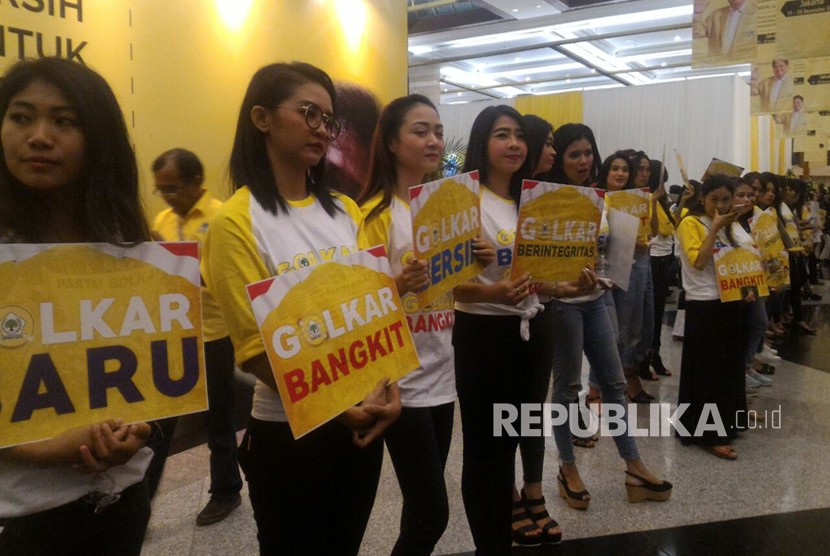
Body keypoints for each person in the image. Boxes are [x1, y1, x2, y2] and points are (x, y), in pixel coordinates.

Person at [202, 62, 400, 555]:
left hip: (363, 418)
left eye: (328, 120)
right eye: (309, 112)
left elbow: (375, 314)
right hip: (291, 435)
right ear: (262, 118)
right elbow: (253, 352)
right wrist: (339, 411)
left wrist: (388, 389)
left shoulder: (345, 211)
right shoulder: (236, 223)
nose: (321, 129)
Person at [0, 57, 155, 555]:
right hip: (23, 519)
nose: (40, 136)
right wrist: (49, 449)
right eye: (21, 117)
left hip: (124, 500)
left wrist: (142, 428)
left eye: (64, 121)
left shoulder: (133, 250)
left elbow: (163, 374)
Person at [358, 94, 494, 555]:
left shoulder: (444, 208)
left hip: (441, 370)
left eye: (437, 130)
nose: (434, 140)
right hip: (401, 381)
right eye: (420, 131)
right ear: (392, 143)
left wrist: (478, 262)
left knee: (423, 506)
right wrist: (397, 284)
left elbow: (450, 289)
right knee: (432, 511)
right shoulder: (374, 217)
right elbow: (357, 308)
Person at [453, 105, 590, 552]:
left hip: (534, 329)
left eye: (518, 136)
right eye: (501, 135)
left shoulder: (530, 203)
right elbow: (446, 287)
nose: (514, 144)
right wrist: (494, 293)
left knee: (523, 426)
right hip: (484, 336)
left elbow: (535, 277)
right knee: (488, 447)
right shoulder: (462, 201)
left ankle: (515, 511)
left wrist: (567, 287)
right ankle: (490, 541)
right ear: (482, 143)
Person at [548, 126, 671, 514]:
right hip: (562, 303)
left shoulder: (601, 199)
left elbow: (609, 249)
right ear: (559, 159)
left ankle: (633, 465)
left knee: (615, 383)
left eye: (588, 154)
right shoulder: (545, 200)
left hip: (598, 298)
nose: (583, 161)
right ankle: (567, 468)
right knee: (567, 387)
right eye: (574, 155)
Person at [150, 148, 243, 524]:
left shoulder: (222, 218)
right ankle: (139, 503)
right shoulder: (163, 220)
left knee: (217, 421)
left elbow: (228, 280)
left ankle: (226, 492)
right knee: (156, 428)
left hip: (213, 336)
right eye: (161, 190)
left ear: (195, 183)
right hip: (173, 336)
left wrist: (178, 264)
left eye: (173, 189)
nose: (168, 198)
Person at [676, 174, 746, 459]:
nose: (720, 204)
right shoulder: (690, 223)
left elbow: (742, 259)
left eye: (726, 199)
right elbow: (700, 260)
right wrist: (715, 227)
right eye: (714, 199)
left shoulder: (733, 224)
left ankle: (729, 422)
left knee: (728, 366)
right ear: (702, 198)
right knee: (706, 371)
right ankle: (707, 432)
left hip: (730, 299)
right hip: (703, 302)